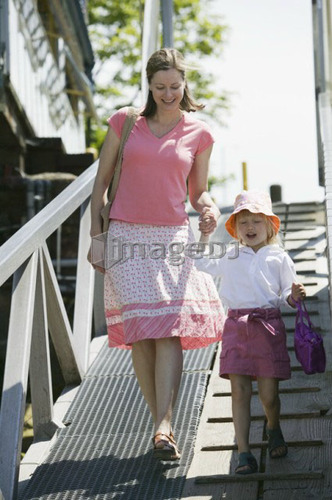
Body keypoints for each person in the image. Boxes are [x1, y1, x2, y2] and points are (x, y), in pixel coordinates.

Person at [88, 48, 224, 461]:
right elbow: (101, 185)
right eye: (160, 86)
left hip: (171, 238)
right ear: (149, 84)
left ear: (185, 85)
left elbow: (197, 191)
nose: (168, 93)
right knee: (142, 335)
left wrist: (209, 208)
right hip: (127, 235)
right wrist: (98, 241)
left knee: (167, 328)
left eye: (175, 86)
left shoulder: (199, 134)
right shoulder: (125, 122)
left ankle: (164, 424)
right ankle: (159, 423)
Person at [196, 190, 306, 474]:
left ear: (270, 225)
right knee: (239, 392)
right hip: (235, 328)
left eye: (256, 221)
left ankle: (273, 426)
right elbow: (201, 262)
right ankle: (244, 453)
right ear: (235, 228)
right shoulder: (231, 255)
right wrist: (206, 235)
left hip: (268, 328)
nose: (250, 227)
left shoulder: (279, 257)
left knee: (269, 396)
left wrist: (295, 296)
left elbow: (286, 295)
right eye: (243, 222)